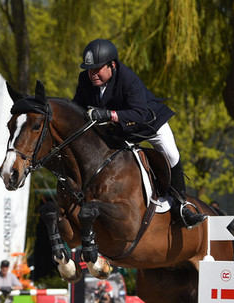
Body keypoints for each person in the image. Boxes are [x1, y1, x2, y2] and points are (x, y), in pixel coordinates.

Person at [72, 38, 205, 229]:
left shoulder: (128, 79)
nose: (92, 74)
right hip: (120, 130)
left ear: (112, 65)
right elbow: (76, 108)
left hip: (148, 124)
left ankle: (181, 206)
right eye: (89, 69)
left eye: (97, 69)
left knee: (171, 153)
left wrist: (110, 114)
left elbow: (140, 113)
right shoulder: (84, 80)